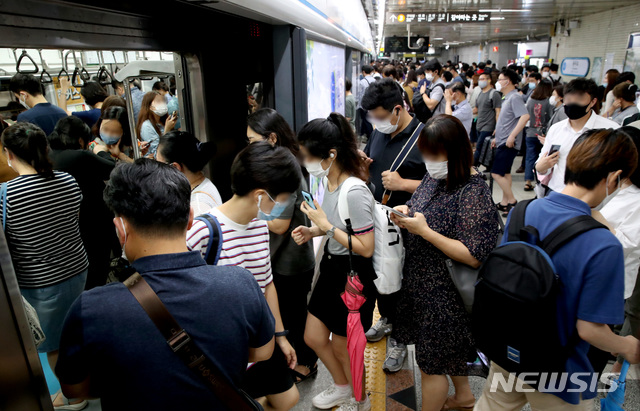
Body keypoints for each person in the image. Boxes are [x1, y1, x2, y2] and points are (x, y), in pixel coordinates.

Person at [55, 159, 276, 410]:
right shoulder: (240, 283)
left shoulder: (91, 308)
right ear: (191, 218)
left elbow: (74, 389)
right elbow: (262, 352)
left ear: (121, 228)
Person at [475, 128, 640, 410]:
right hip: (558, 371)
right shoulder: (603, 243)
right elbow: (590, 330)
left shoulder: (523, 210)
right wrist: (628, 347)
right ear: (614, 178)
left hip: (509, 347)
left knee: (492, 405)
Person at [390, 115, 499, 411]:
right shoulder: (435, 176)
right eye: (425, 154)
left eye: (434, 155)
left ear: (455, 152)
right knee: (443, 353)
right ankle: (463, 396)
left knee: (431, 365)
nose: (428, 161)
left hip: (445, 294)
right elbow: (422, 206)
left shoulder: (473, 192)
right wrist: (406, 211)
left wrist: (425, 231)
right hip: (421, 285)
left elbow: (473, 254)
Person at [187, 142, 301, 411]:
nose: (284, 205)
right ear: (261, 195)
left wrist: (280, 335)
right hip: (225, 349)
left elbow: (266, 284)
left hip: (259, 336)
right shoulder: (203, 231)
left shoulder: (260, 225)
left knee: (288, 399)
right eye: (283, 198)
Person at [2, 122, 88, 409]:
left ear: (9, 154)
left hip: (41, 282)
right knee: (77, 330)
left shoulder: (6, 196)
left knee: (55, 343)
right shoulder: (67, 181)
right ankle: (90, 382)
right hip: (77, 268)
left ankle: (73, 396)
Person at [292, 113, 375, 411]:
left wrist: (324, 227)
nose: (304, 162)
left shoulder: (354, 191)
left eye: (307, 156)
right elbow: (337, 226)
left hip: (353, 276)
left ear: (331, 154)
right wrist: (313, 229)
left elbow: (366, 248)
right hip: (331, 267)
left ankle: (359, 398)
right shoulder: (328, 180)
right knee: (313, 336)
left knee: (344, 346)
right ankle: (342, 386)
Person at [246, 108, 318, 383]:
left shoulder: (287, 169)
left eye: (253, 140)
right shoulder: (284, 162)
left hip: (292, 261)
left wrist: (246, 213)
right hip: (286, 257)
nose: (250, 146)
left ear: (272, 138)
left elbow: (279, 224)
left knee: (293, 315)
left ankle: (306, 365)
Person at [360, 78, 426, 373]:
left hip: (408, 226)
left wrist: (405, 184)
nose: (376, 123)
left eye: (380, 117)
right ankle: (386, 320)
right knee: (382, 277)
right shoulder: (378, 130)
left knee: (403, 283)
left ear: (398, 110)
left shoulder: (426, 137)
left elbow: (444, 183)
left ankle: (400, 339)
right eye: (372, 117)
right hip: (377, 220)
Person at [48, 116, 118, 290]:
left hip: (65, 224)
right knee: (97, 269)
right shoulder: (80, 156)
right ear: (80, 140)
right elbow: (112, 169)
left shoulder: (49, 155)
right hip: (93, 220)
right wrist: (101, 151)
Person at [597, 126, 640, 375]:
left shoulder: (635, 198)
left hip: (614, 281)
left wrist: (592, 215)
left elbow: (624, 244)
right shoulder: (614, 187)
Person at [536, 78, 620, 195]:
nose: (572, 104)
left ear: (592, 102)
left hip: (590, 196)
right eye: (569, 99)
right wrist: (541, 167)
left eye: (579, 100)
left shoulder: (610, 130)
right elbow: (542, 163)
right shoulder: (556, 129)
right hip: (557, 192)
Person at [156, 131, 222, 215]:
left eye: (160, 166)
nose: (158, 171)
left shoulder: (198, 207)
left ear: (175, 167)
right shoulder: (200, 186)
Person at [492, 69, 530, 216]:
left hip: (509, 143)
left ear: (507, 81)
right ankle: (505, 202)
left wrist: (512, 136)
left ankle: (513, 202)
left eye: (500, 79)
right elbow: (507, 120)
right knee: (505, 173)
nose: (498, 82)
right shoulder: (507, 97)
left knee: (496, 173)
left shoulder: (515, 98)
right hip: (503, 140)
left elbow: (525, 116)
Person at [523, 80, 554, 192]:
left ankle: (527, 181)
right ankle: (540, 180)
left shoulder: (530, 100)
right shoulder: (548, 102)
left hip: (530, 132)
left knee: (529, 157)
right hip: (543, 134)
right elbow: (550, 118)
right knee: (543, 157)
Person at [136, 91, 178, 157]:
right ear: (150, 106)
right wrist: (167, 131)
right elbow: (157, 155)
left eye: (163, 101)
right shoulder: (146, 126)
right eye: (158, 101)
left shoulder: (162, 122)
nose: (162, 104)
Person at [473, 72, 502, 166]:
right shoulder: (480, 93)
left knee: (479, 148)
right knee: (484, 148)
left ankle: (472, 168)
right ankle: (488, 166)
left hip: (488, 126)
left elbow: (498, 112)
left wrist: (497, 127)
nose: (480, 81)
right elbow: (476, 109)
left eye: (483, 79)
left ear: (489, 80)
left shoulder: (494, 94)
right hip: (479, 125)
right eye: (479, 79)